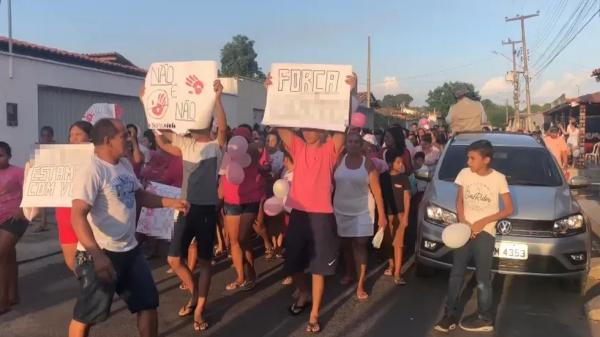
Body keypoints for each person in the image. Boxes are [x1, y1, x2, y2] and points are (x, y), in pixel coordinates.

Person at [67, 119, 189, 337]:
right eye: (124, 135)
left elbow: (139, 195)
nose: (130, 139)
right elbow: (77, 216)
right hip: (100, 254)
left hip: (130, 251)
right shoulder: (92, 170)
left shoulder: (123, 164)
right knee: (87, 316)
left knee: (148, 304)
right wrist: (97, 255)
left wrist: (170, 202)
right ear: (107, 140)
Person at [266, 72, 356, 334]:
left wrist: (349, 94)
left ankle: (314, 313)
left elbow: (343, 126)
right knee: (292, 264)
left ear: (323, 128)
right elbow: (280, 124)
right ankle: (303, 292)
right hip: (299, 215)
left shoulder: (330, 150)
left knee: (319, 267)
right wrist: (272, 91)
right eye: (304, 126)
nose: (308, 130)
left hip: (321, 216)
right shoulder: (297, 147)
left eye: (313, 126)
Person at [149, 80, 226, 332]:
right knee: (173, 258)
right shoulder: (185, 144)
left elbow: (223, 129)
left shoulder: (215, 146)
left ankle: (200, 308)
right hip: (185, 209)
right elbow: (161, 139)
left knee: (205, 262)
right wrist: (147, 103)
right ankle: (195, 295)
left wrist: (217, 99)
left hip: (206, 210)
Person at [435, 140, 513, 333]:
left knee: (483, 278)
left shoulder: (498, 178)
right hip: (465, 231)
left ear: (486, 160)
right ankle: (449, 315)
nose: (468, 162)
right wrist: (464, 222)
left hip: (485, 233)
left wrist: (482, 222)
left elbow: (508, 209)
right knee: (456, 274)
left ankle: (485, 317)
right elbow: (459, 200)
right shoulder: (464, 174)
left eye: (472, 158)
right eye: (468, 158)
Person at [334, 132, 387, 300]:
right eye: (350, 141)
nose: (353, 144)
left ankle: (361, 283)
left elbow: (377, 191)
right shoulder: (338, 161)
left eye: (357, 142)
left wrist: (382, 216)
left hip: (363, 209)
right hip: (341, 209)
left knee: (360, 243)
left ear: (361, 145)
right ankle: (350, 271)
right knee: (345, 243)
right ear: (346, 144)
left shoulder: (368, 164)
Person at [222, 127, 265, 291]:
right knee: (234, 241)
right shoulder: (225, 150)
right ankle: (240, 277)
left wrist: (245, 141)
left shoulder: (252, 151)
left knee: (242, 237)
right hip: (231, 200)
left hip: (250, 199)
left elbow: (257, 149)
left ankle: (251, 272)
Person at [54, 121, 93, 271]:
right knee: (72, 263)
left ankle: (96, 291)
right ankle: (87, 289)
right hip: (64, 212)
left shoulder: (98, 158)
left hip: (87, 213)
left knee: (93, 261)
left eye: (78, 135)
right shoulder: (60, 157)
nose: (73, 139)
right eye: (71, 135)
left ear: (90, 137)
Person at [0, 142, 28, 316]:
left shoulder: (18, 172)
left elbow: (31, 193)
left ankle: (2, 301)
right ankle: (13, 294)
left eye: (1, 155)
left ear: (9, 156)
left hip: (16, 218)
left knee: (1, 254)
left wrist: (21, 210)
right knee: (8, 255)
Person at [379, 149, 411, 285]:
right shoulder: (383, 177)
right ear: (390, 163)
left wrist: (405, 217)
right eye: (398, 162)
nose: (401, 164)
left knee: (398, 244)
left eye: (402, 162)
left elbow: (407, 198)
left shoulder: (404, 178)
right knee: (387, 243)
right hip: (387, 215)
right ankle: (391, 265)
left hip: (400, 214)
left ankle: (397, 272)